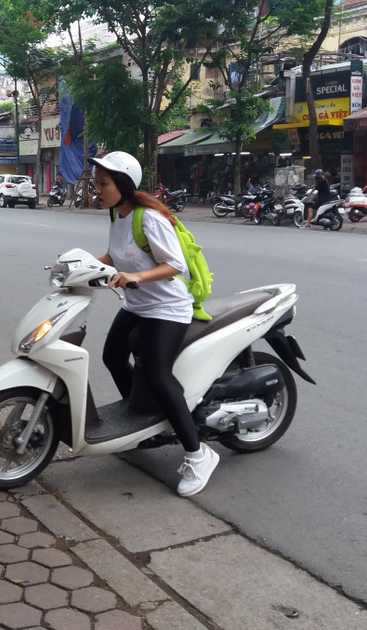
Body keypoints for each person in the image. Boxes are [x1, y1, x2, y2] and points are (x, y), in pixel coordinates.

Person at [89, 151, 219, 497]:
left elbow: (175, 264)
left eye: (103, 184)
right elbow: (115, 254)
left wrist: (136, 276)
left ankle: (198, 453)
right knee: (112, 356)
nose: (96, 190)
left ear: (123, 186)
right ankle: (145, 422)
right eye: (96, 183)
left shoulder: (149, 217)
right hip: (138, 303)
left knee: (159, 376)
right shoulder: (118, 214)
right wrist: (81, 265)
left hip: (167, 308)